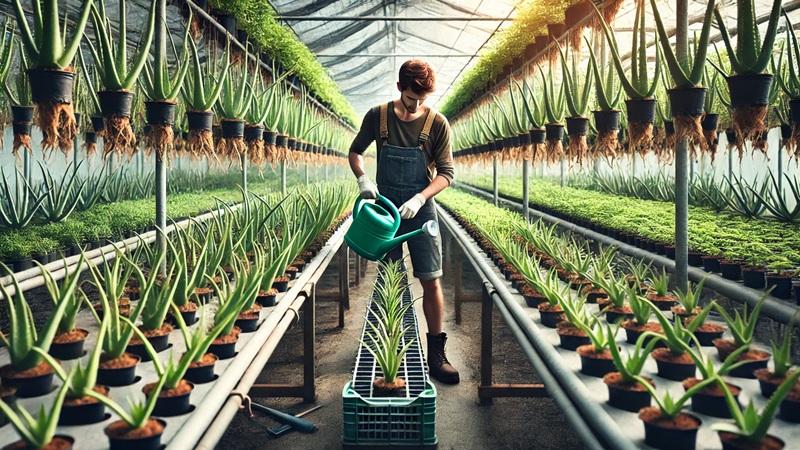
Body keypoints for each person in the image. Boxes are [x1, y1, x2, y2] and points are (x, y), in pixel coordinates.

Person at [348, 59, 459, 384]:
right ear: (399, 88)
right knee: (390, 280)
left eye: (423, 99)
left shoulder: (437, 123)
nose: (417, 105)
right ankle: (390, 350)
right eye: (412, 99)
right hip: (385, 211)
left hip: (421, 211)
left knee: (431, 278)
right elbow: (355, 151)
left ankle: (437, 355)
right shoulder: (377, 115)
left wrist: (421, 197)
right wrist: (363, 180)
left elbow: (447, 173)